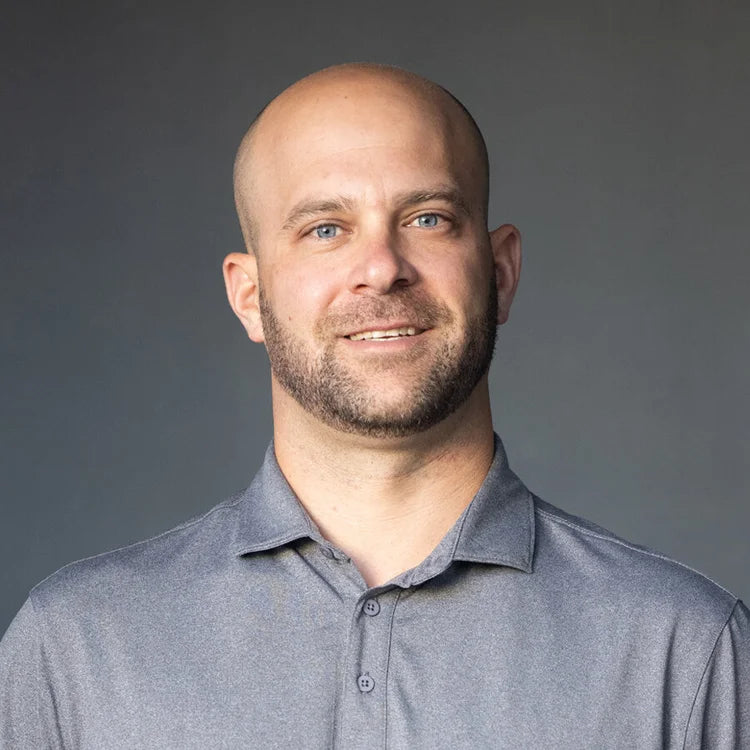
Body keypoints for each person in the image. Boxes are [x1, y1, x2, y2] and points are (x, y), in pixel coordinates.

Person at [1, 63, 747, 749]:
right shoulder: (73, 649)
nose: (382, 269)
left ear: (500, 273)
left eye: (427, 218)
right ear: (250, 297)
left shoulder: (685, 650)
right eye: (325, 229)